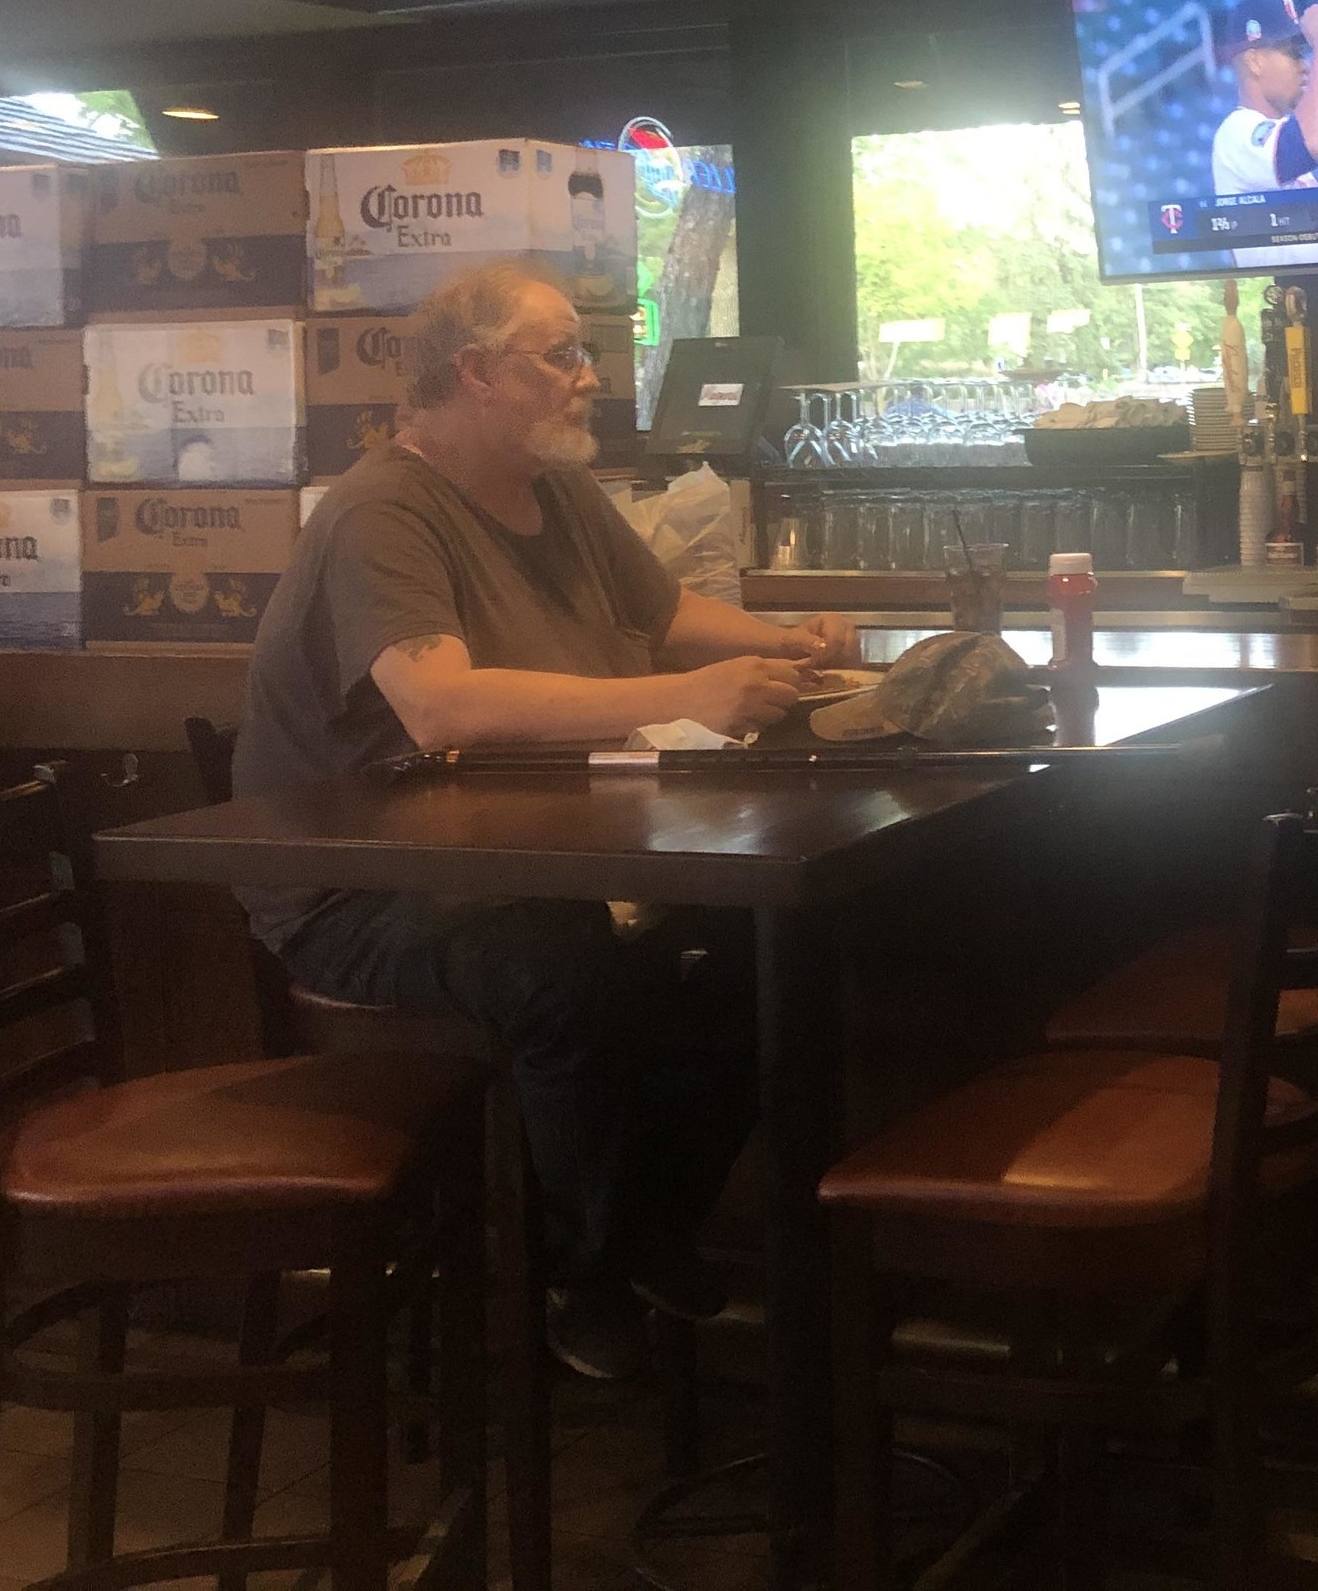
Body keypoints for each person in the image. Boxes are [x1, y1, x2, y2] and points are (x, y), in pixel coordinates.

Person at [234, 260, 857, 1381]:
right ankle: (587, 1276)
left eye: (587, 356)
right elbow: (439, 702)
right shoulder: (384, 509)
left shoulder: (557, 488)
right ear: (475, 373)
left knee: (768, 954)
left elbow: (661, 616)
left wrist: (782, 646)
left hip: (514, 855)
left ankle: (636, 1237)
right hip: (359, 888)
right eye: (562, 355)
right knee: (560, 965)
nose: (588, 379)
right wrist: (685, 699)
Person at [1208, 0, 1318, 268]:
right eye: (1293, 53)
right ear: (1254, 61)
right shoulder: (1236, 131)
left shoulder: (1274, 130)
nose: (1304, 66)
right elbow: (1309, 144)